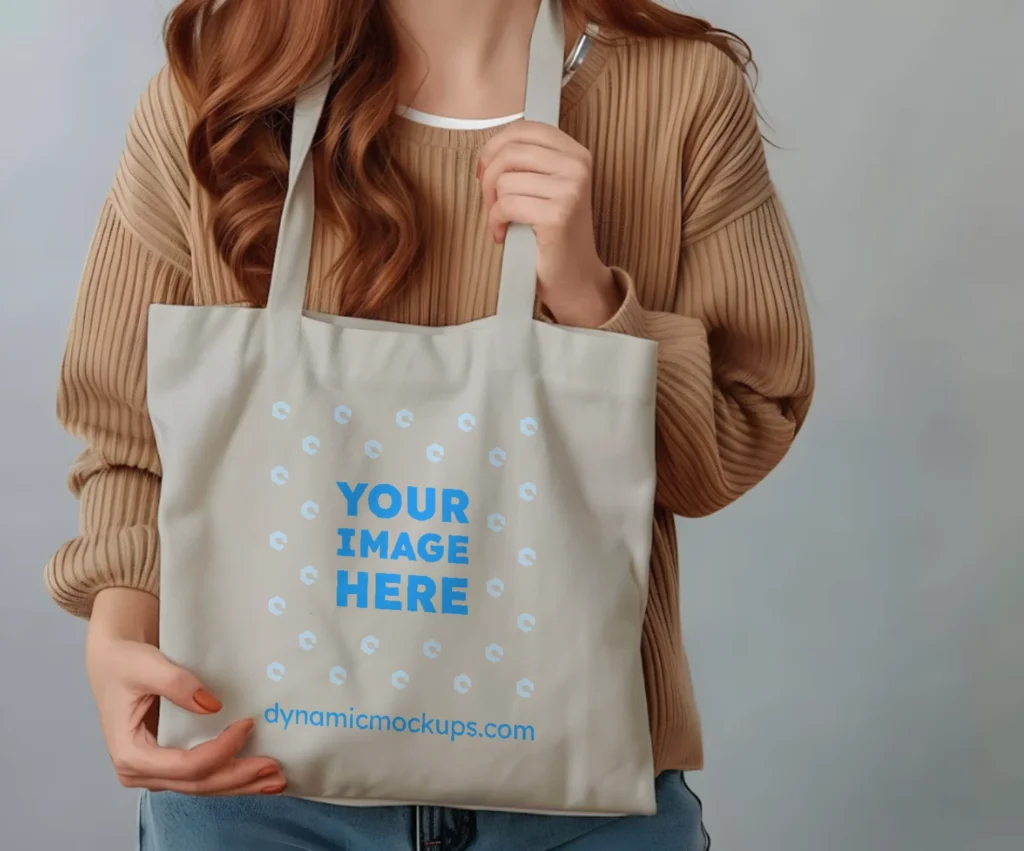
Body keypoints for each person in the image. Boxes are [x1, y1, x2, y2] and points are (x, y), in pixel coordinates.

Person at [46, 0, 813, 848]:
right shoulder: (220, 93)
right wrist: (118, 633)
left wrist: (592, 300)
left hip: (575, 803)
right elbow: (126, 439)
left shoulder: (681, 93)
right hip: (252, 787)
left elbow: (736, 438)